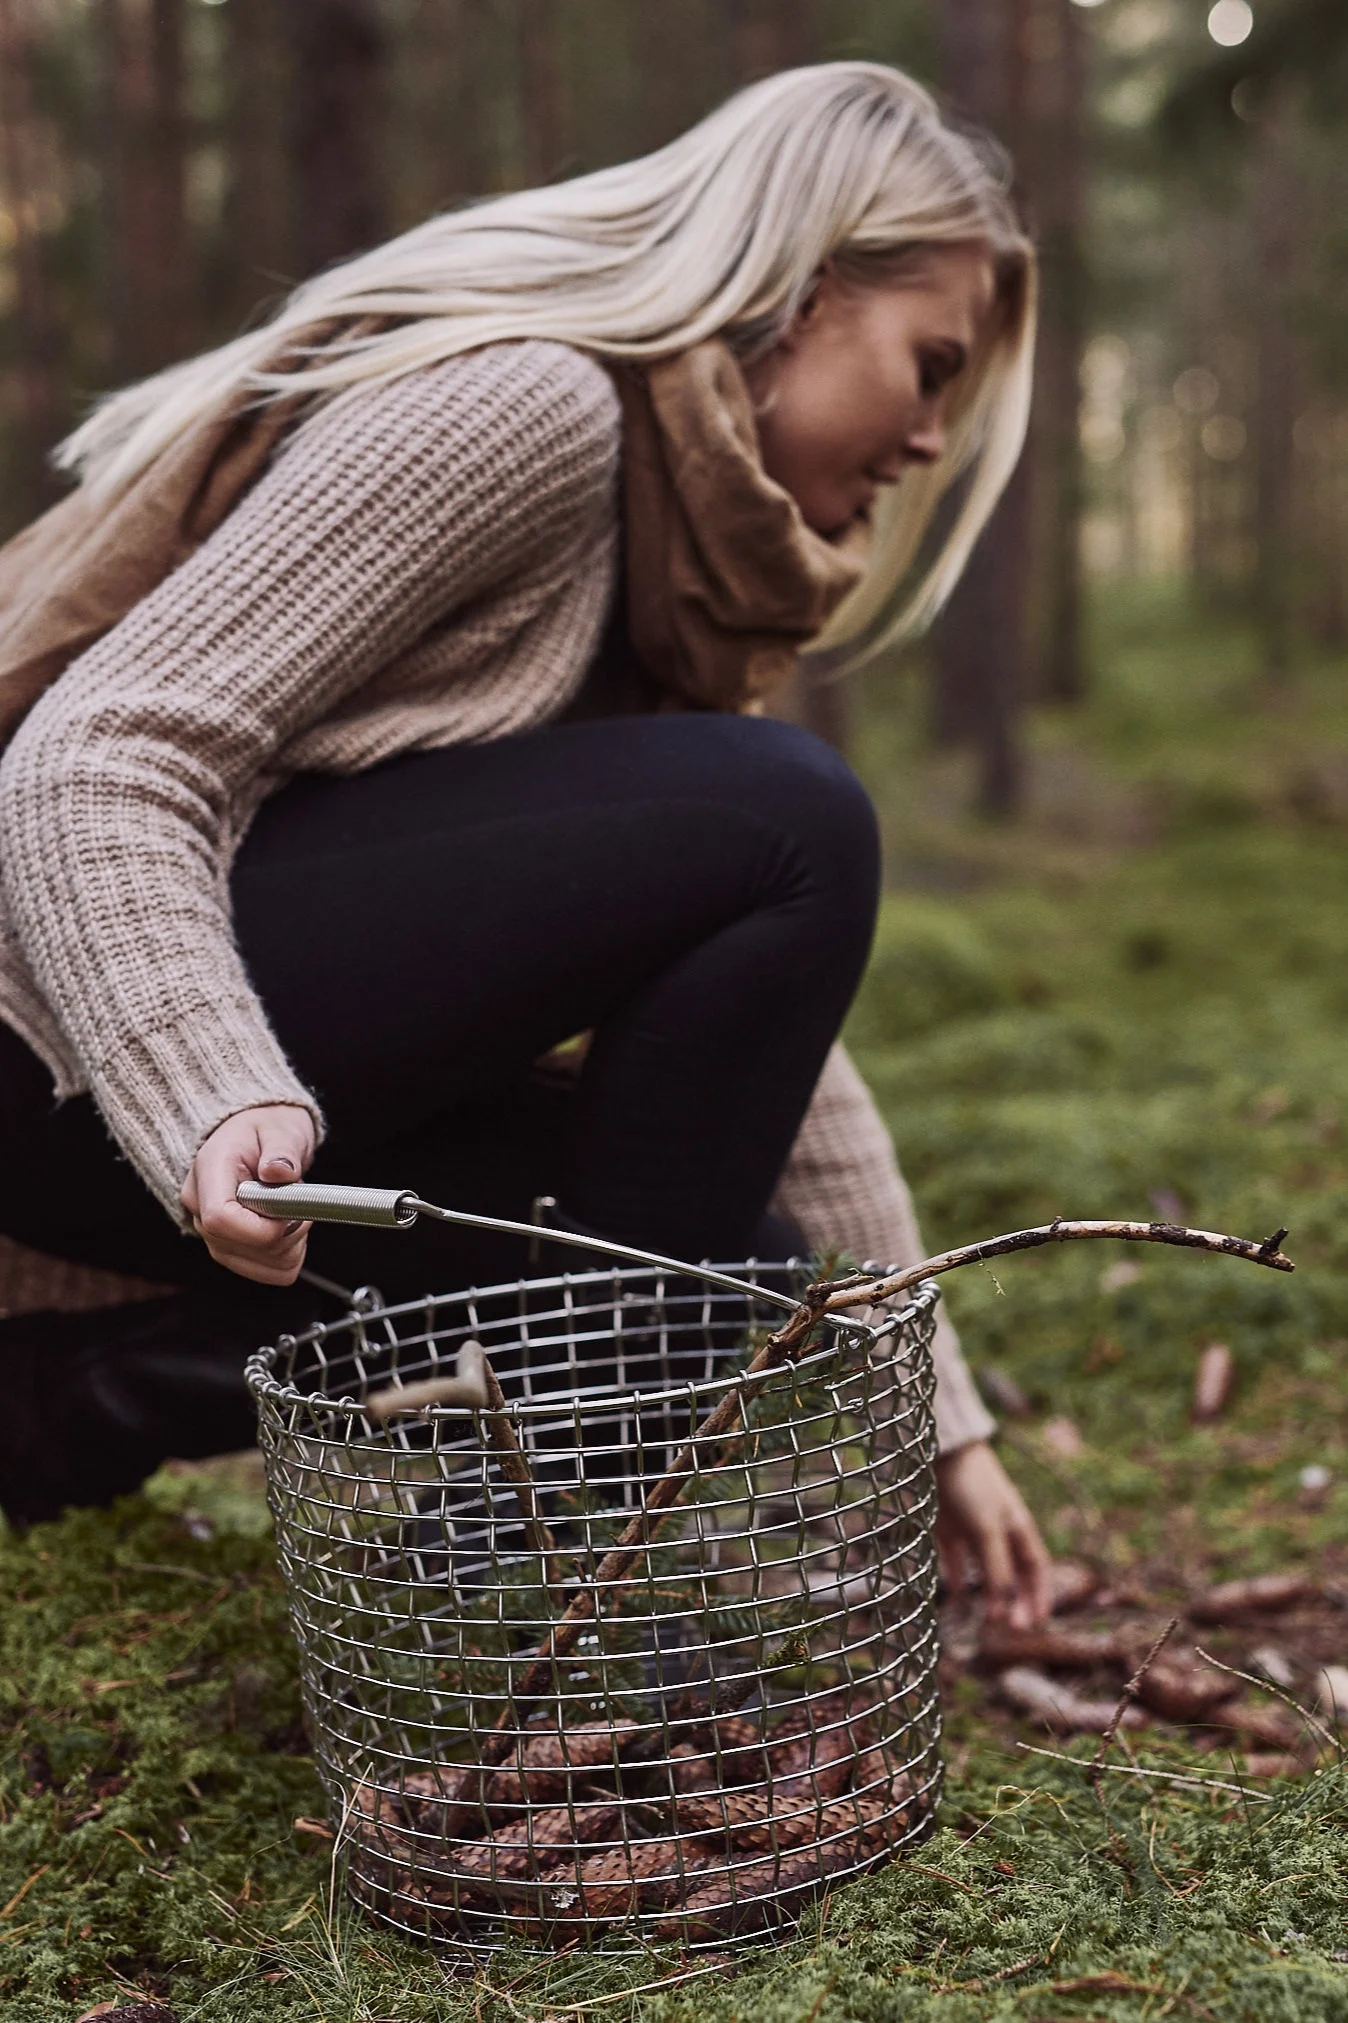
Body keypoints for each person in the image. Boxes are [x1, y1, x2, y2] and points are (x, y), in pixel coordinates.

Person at [0, 61, 1050, 1623]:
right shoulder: (532, 410)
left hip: (153, 1114)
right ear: (812, 288)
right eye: (931, 365)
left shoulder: (659, 573)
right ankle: (544, 1575)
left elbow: (770, 1051)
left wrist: (945, 1418)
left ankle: (75, 1403)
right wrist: (206, 1081)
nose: (929, 439)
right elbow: (106, 746)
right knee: (793, 810)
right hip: (64, 1043)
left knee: (729, 1262)